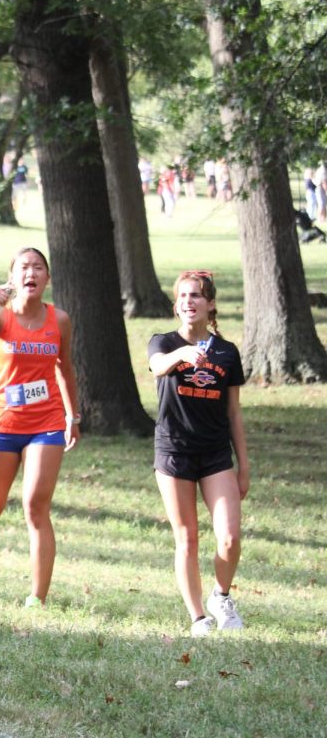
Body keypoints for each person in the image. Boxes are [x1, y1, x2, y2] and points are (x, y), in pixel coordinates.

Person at [0, 248, 79, 607]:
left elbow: (65, 368)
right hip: (3, 422)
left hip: (47, 421)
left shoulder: (61, 320)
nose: (31, 273)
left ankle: (37, 598)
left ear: (47, 278)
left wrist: (74, 415)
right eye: (24, 267)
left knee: (36, 507)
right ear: (13, 277)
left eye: (38, 268)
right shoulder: (0, 317)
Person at [148, 271, 250, 637]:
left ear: (210, 304)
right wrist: (181, 354)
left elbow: (234, 412)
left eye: (196, 296)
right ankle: (198, 618)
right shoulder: (163, 342)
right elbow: (158, 367)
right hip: (174, 452)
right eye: (183, 296)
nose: (189, 301)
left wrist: (244, 466)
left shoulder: (226, 351)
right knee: (187, 538)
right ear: (177, 305)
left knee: (229, 538)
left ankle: (220, 597)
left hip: (215, 454)